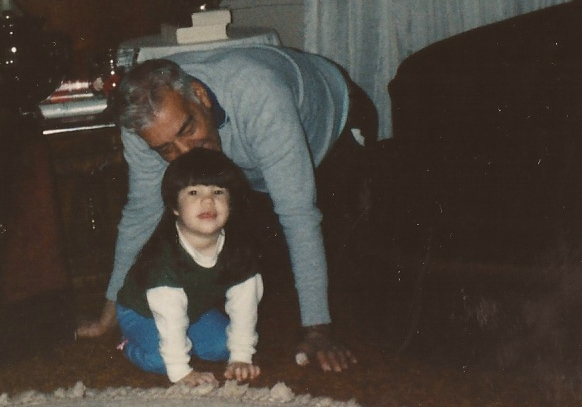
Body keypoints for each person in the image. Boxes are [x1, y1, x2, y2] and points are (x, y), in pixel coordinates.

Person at [78, 45, 373, 373]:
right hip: (251, 158)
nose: (185, 154)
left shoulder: (260, 95)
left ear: (200, 95)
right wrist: (109, 312)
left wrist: (317, 330)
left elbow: (298, 213)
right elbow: (140, 214)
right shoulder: (144, 124)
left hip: (335, 129)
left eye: (188, 130)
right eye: (166, 149)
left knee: (349, 259)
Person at [116, 148, 262, 386]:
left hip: (193, 310)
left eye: (218, 191)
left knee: (224, 346)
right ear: (175, 207)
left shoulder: (238, 250)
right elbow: (170, 314)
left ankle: (183, 341)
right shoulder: (164, 260)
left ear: (231, 203)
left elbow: (245, 304)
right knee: (161, 360)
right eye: (193, 192)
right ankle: (128, 344)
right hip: (141, 312)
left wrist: (241, 356)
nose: (207, 201)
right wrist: (182, 372)